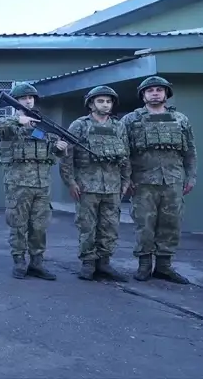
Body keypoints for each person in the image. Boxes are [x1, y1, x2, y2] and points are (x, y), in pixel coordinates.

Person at [0, 82, 68, 280]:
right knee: (18, 225)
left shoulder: (44, 125)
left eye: (31, 98)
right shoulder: (10, 124)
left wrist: (61, 148)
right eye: (24, 98)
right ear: (15, 101)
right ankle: (19, 262)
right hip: (17, 184)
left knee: (39, 226)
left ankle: (37, 263)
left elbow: (53, 156)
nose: (29, 100)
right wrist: (17, 121)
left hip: (42, 185)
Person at [119, 75, 197, 284]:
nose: (155, 93)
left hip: (173, 180)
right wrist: (127, 179)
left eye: (159, 90)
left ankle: (164, 266)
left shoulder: (180, 119)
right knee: (144, 224)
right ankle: (144, 265)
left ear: (166, 94)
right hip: (143, 181)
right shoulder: (130, 120)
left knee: (171, 224)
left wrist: (191, 176)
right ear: (143, 95)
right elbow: (123, 153)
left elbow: (189, 150)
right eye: (150, 90)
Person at [60, 85, 131, 282]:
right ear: (91, 104)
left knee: (110, 226)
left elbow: (125, 156)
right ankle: (88, 263)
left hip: (112, 186)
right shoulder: (79, 125)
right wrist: (70, 182)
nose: (105, 104)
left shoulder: (119, 126)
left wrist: (126, 181)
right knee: (87, 226)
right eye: (100, 101)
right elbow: (67, 157)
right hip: (86, 187)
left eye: (108, 101)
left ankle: (104, 263)